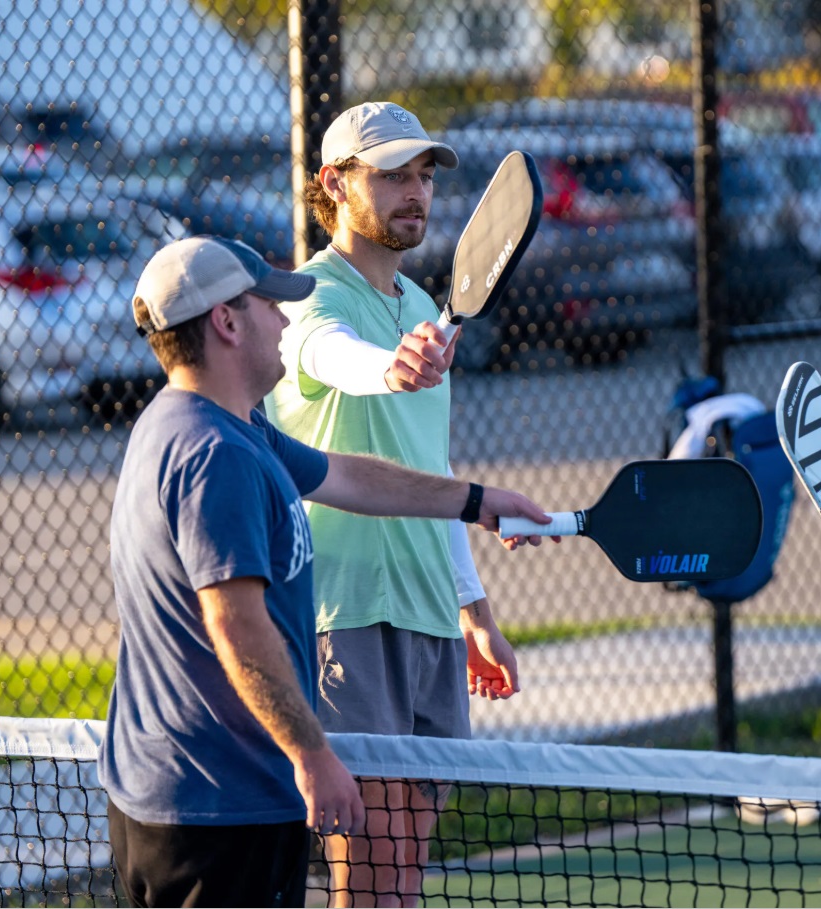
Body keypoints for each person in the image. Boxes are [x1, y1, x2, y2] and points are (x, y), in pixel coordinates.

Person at [99, 235, 548, 908]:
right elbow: (238, 628)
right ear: (226, 322)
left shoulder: (212, 426)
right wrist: (313, 755)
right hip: (217, 808)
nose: (285, 322)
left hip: (187, 795)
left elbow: (345, 475)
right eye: (269, 307)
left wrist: (477, 501)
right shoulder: (215, 454)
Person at [266, 101, 531, 907]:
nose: (414, 192)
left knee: (402, 876)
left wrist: (473, 607)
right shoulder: (310, 297)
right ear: (334, 184)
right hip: (343, 612)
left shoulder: (424, 309)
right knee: (373, 873)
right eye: (389, 175)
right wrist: (391, 367)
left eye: (421, 175)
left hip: (428, 620)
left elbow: (430, 468)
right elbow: (333, 358)